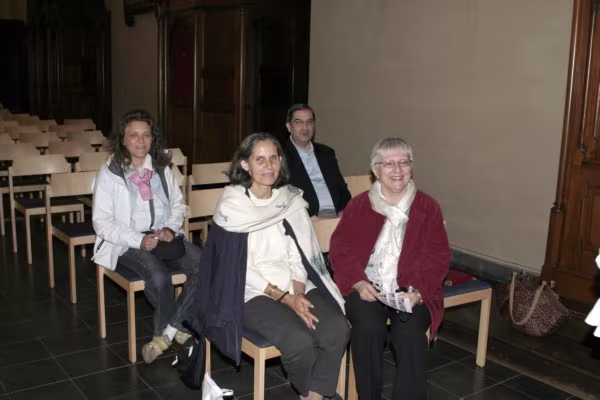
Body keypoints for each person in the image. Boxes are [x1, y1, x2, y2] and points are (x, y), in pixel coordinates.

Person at [180, 132, 349, 400]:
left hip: (294, 282)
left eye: (273, 158)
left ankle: (315, 394)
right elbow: (238, 268)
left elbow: (299, 252)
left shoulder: (289, 200)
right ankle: (317, 394)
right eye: (260, 159)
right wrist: (284, 298)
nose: (269, 166)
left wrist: (298, 291)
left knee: (337, 328)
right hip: (250, 291)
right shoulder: (232, 207)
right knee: (299, 341)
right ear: (245, 164)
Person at [330, 138, 450, 400]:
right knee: (368, 329)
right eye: (389, 164)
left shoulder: (427, 206)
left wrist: (418, 292)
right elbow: (340, 248)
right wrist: (358, 282)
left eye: (403, 162)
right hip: (367, 287)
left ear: (411, 167)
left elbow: (438, 256)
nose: (397, 169)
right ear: (376, 169)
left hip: (413, 290)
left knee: (409, 334)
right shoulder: (359, 205)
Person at [92, 109, 201, 364]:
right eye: (134, 135)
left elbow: (178, 205)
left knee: (206, 265)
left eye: (146, 135)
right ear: (123, 139)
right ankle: (172, 331)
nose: (141, 141)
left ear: (154, 138)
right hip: (125, 242)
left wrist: (170, 229)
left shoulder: (162, 168)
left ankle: (169, 331)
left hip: (164, 238)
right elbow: (102, 223)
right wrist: (138, 240)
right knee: (160, 277)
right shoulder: (110, 172)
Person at [283, 103, 351, 217]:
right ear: (289, 126)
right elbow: (282, 196)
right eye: (299, 122)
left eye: (309, 122)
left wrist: (343, 211)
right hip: (305, 218)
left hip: (335, 216)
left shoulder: (327, 153)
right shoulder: (279, 155)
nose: (305, 128)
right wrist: (309, 217)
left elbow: (342, 189)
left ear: (314, 126)